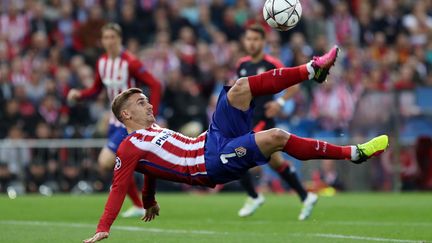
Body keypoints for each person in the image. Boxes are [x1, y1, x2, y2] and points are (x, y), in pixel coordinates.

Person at [83, 46, 389, 242]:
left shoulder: (151, 133)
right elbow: (118, 186)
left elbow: (150, 168)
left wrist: (149, 198)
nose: (149, 105)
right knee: (277, 137)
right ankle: (354, 153)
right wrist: (103, 227)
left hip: (210, 138)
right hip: (210, 163)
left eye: (147, 100)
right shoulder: (128, 146)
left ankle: (312, 70)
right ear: (126, 114)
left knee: (240, 88)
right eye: (141, 103)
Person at [68, 23, 162, 218]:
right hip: (113, 121)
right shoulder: (102, 62)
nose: (109, 41)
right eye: (106, 38)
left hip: (129, 122)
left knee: (106, 161)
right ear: (102, 41)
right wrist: (80, 95)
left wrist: (151, 114)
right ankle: (141, 203)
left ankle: (142, 201)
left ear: (120, 39)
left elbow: (155, 84)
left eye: (113, 37)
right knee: (118, 163)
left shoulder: (130, 62)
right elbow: (96, 89)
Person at [235, 24, 316, 220]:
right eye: (248, 39)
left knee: (233, 155)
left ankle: (254, 196)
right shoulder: (242, 64)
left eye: (255, 39)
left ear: (263, 42)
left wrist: (279, 102)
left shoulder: (272, 63)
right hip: (246, 120)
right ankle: (306, 196)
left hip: (263, 119)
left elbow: (294, 84)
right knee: (275, 162)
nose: (251, 43)